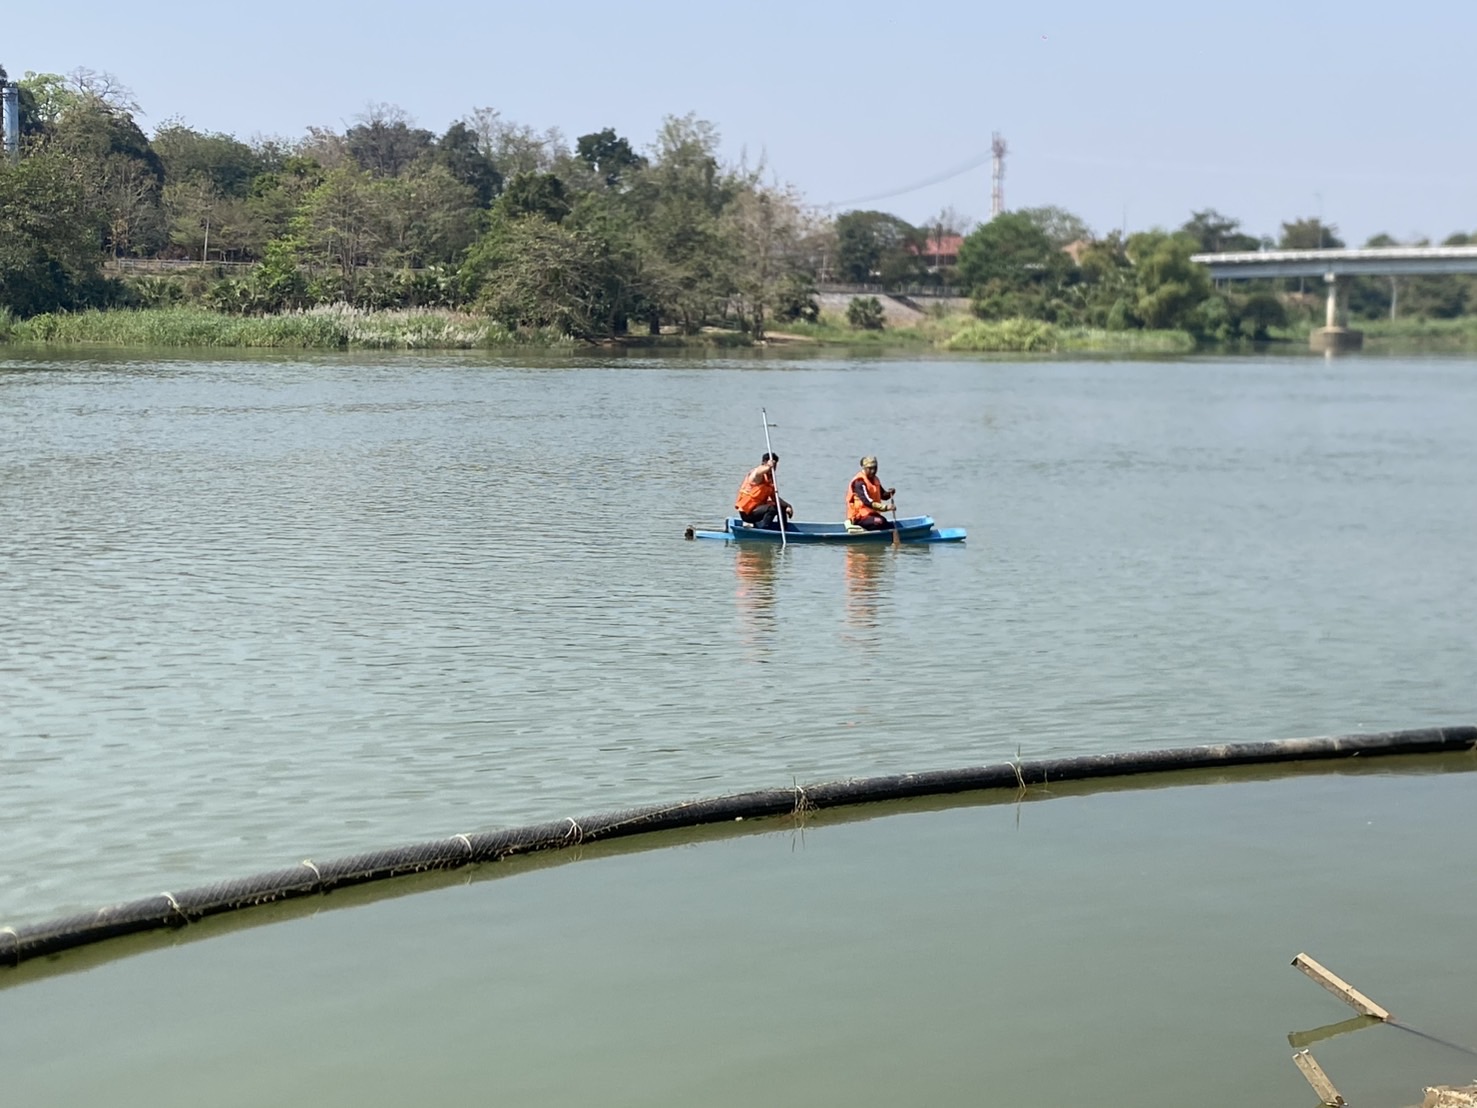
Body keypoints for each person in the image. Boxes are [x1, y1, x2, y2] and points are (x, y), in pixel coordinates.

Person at [735, 452, 795, 529]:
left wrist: (787, 506)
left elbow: (775, 498)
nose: (773, 469)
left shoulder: (770, 479)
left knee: (780, 507)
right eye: (772, 466)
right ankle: (763, 528)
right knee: (772, 509)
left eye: (775, 466)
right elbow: (758, 471)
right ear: (764, 463)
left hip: (758, 511)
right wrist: (768, 466)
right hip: (747, 513)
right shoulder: (757, 475)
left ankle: (783, 529)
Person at [846, 455, 896, 530]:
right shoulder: (859, 482)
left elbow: (883, 495)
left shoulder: (875, 479)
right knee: (880, 522)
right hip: (859, 517)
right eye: (870, 468)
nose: (873, 471)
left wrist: (890, 493)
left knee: (886, 524)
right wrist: (886, 507)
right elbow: (867, 501)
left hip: (872, 515)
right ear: (864, 468)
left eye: (875, 468)